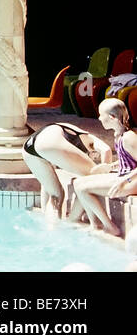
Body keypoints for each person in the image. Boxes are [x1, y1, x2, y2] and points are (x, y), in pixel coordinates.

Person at [71, 98, 137, 235]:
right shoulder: (119, 135)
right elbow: (129, 159)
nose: (99, 118)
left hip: (132, 181)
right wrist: (110, 166)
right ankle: (95, 224)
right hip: (125, 177)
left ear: (112, 117)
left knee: (83, 190)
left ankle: (109, 227)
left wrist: (123, 181)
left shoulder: (129, 137)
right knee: (77, 183)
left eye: (101, 115)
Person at [22, 121, 113, 219]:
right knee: (91, 180)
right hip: (49, 142)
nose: (93, 158)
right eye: (94, 156)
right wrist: (105, 173)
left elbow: (45, 185)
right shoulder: (88, 138)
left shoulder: (67, 138)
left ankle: (49, 223)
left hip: (28, 147)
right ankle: (74, 219)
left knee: (56, 195)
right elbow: (106, 150)